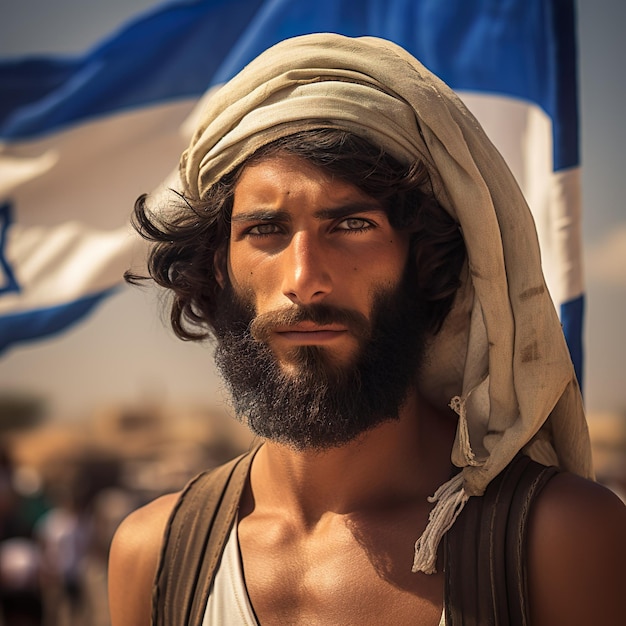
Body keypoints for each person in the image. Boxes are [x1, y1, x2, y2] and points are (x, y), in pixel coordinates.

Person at [108, 34, 626, 625]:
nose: (304, 279)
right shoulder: (157, 556)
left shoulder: (556, 541)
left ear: (425, 260)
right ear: (218, 269)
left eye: (352, 224)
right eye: (264, 230)